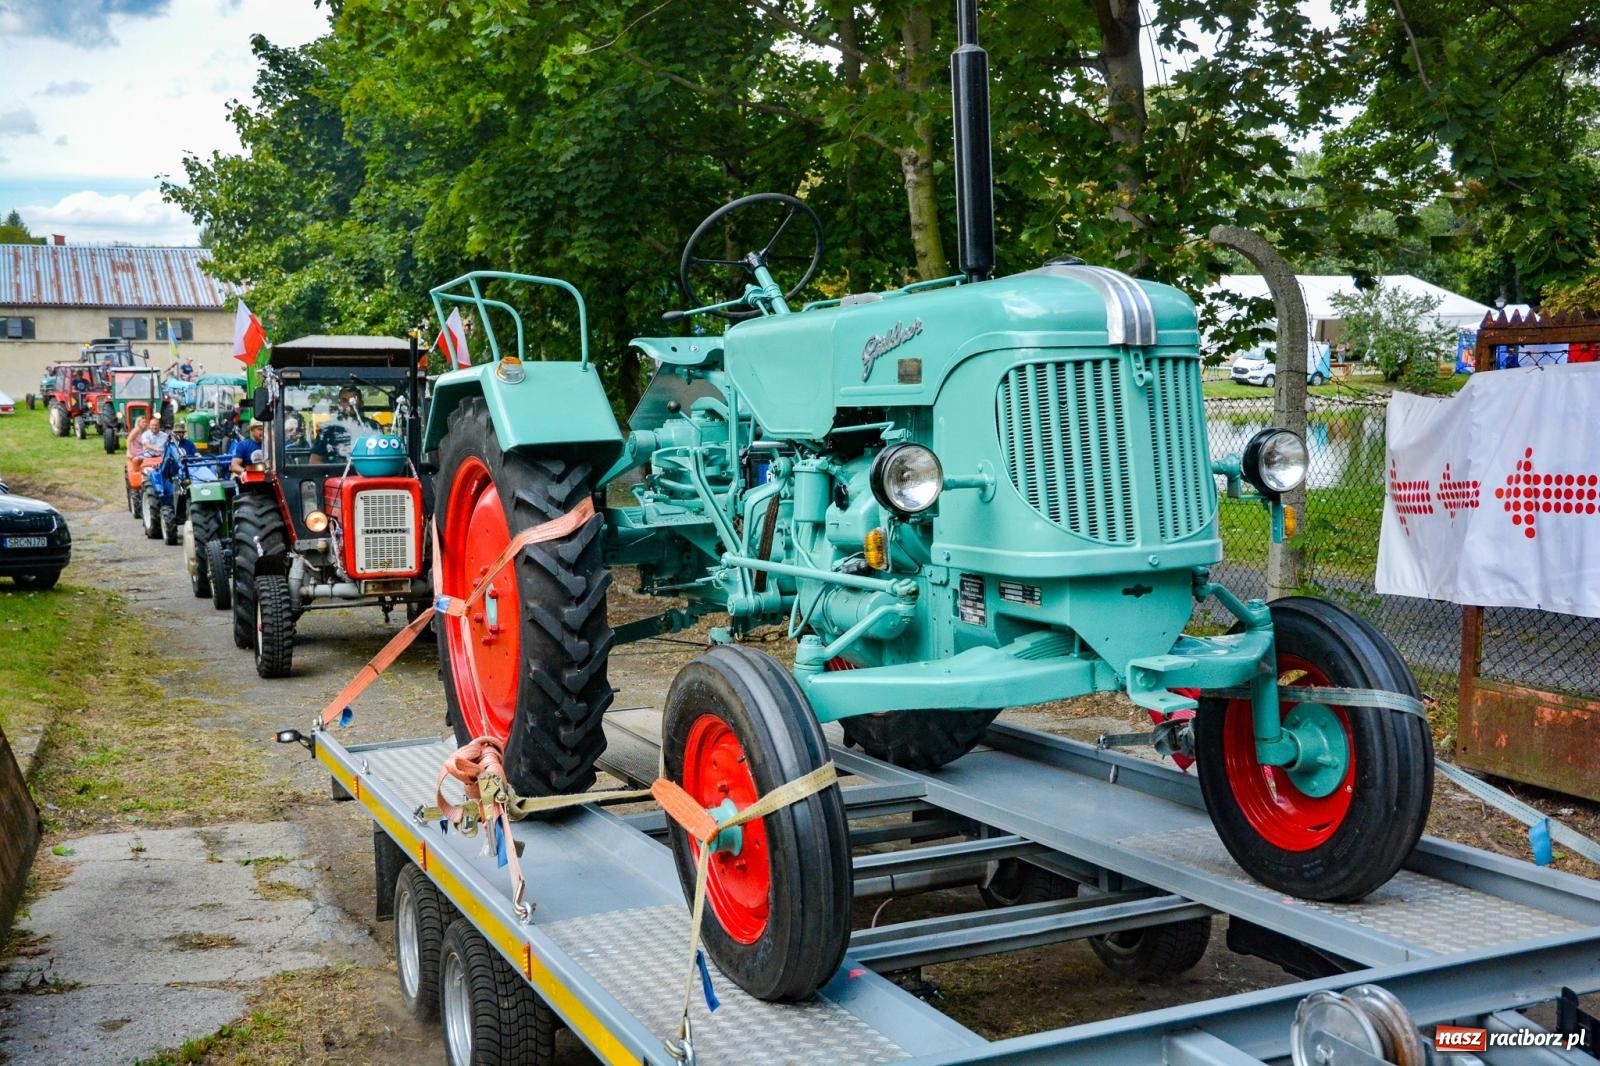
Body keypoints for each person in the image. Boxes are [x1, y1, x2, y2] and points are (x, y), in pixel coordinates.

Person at [309, 386, 382, 463]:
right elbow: (315, 461)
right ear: (339, 404)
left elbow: (382, 455)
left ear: (361, 403)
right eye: (344, 400)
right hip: (338, 473)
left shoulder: (373, 427)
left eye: (353, 400)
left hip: (368, 472)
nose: (350, 403)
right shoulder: (328, 429)